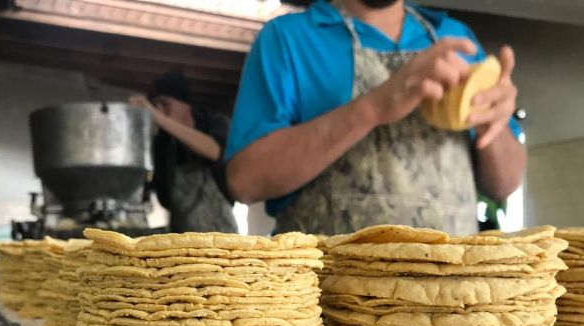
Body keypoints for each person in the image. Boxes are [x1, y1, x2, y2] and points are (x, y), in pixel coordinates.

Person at [224, 0, 526, 236]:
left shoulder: (455, 38)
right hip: (331, 291)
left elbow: (505, 184)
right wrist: (373, 107)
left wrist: (490, 123)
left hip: (450, 288)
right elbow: (244, 181)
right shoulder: (288, 38)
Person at [130, 72, 238, 233]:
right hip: (182, 234)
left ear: (185, 104)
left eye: (165, 103)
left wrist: (157, 117)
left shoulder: (212, 121)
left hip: (220, 233)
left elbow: (214, 151)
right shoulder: (163, 143)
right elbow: (164, 197)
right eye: (155, 105)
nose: (159, 110)